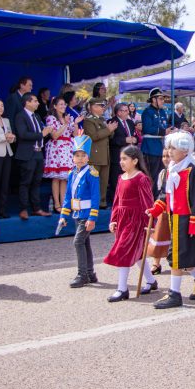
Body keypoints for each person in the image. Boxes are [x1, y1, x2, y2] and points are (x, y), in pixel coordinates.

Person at [146, 132, 195, 309]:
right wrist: (156, 208)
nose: (169, 151)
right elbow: (165, 195)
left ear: (185, 150)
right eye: (169, 147)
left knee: (177, 257)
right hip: (173, 217)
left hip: (186, 219)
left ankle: (175, 294)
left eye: (173, 148)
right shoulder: (171, 169)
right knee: (182, 256)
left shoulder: (191, 171)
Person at [103, 145, 156, 301]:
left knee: (123, 252)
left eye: (125, 159)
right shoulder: (121, 178)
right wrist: (113, 219)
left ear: (135, 160)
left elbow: (148, 202)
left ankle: (122, 289)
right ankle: (151, 281)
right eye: (120, 159)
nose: (121, 162)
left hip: (136, 220)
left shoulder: (141, 178)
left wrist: (149, 224)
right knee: (138, 254)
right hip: (122, 219)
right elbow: (116, 201)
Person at [58, 135, 101, 288]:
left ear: (88, 157)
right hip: (77, 213)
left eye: (83, 155)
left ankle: (82, 274)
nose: (80, 158)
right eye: (77, 155)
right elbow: (68, 195)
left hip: (87, 214)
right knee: (85, 242)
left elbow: (96, 197)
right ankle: (90, 273)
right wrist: (63, 215)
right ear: (73, 157)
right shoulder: (72, 174)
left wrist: (92, 217)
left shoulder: (91, 173)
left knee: (78, 242)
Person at [14, 93, 53, 220]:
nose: (38, 103)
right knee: (25, 182)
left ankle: (37, 208)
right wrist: (42, 134)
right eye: (35, 101)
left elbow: (41, 132)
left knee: (37, 182)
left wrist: (45, 132)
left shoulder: (36, 116)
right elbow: (23, 134)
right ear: (27, 102)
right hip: (27, 153)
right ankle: (23, 209)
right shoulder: (20, 116)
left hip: (38, 153)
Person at [83, 97, 117, 208]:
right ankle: (94, 202)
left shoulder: (101, 119)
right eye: (101, 106)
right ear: (93, 107)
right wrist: (108, 129)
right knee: (94, 181)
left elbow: (109, 136)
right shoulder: (88, 120)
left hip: (104, 154)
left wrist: (110, 130)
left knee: (104, 180)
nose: (103, 108)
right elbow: (93, 136)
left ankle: (102, 201)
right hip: (95, 154)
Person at [44, 97, 76, 212]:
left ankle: (63, 203)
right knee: (56, 177)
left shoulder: (68, 117)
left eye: (64, 104)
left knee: (64, 178)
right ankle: (57, 204)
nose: (63, 106)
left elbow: (75, 134)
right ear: (55, 106)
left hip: (67, 149)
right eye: (61, 104)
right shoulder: (51, 119)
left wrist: (75, 123)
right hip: (57, 149)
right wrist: (65, 124)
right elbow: (55, 135)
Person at [147, 148, 172, 276]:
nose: (166, 159)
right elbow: (161, 193)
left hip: (178, 209)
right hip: (164, 207)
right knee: (160, 234)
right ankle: (156, 263)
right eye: (163, 156)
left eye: (168, 156)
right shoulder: (163, 173)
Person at [141, 88, 169, 194]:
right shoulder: (147, 112)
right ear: (153, 100)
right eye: (160, 99)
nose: (163, 101)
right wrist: (163, 131)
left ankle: (158, 196)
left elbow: (164, 126)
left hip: (161, 147)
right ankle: (150, 197)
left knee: (161, 174)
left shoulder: (162, 111)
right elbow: (147, 129)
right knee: (152, 175)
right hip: (150, 148)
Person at [107, 103, 138, 200]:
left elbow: (134, 135)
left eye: (127, 110)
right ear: (118, 112)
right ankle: (115, 200)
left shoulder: (130, 122)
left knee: (128, 178)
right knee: (116, 179)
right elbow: (110, 140)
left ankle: (127, 198)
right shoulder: (112, 122)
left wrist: (135, 139)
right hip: (117, 156)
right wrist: (125, 140)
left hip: (130, 155)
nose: (127, 112)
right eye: (125, 110)